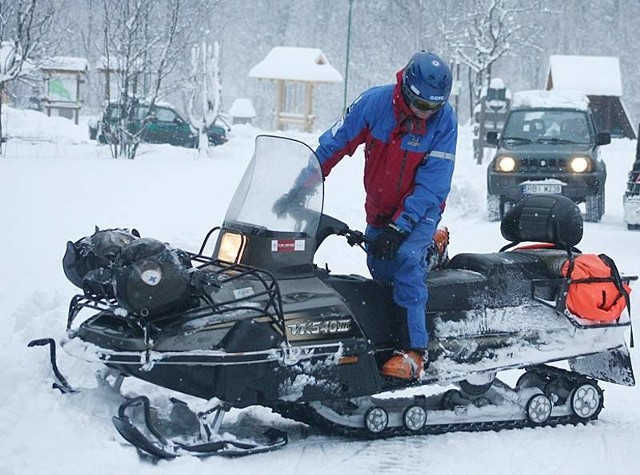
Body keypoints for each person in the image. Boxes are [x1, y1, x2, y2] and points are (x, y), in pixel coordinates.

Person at [277, 51, 457, 380]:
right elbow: (334, 144)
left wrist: (401, 228)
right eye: (421, 105)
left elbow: (432, 186)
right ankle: (432, 250)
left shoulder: (444, 122)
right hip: (380, 206)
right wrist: (301, 187)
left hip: (422, 208)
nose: (426, 113)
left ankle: (415, 350)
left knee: (405, 260)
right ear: (406, 90)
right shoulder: (374, 105)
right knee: (379, 264)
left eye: (433, 107)